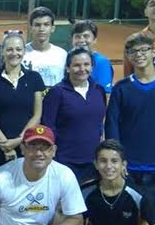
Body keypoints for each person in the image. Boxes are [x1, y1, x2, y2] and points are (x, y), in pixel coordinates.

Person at [105, 33, 155, 213]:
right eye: (133, 51)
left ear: (153, 53)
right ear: (128, 56)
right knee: (123, 214)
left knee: (150, 216)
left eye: (144, 50)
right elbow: (112, 126)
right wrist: (117, 160)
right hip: (126, 167)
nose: (139, 54)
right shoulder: (121, 88)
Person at [0, 31, 44, 176]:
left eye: (18, 49)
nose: (14, 53)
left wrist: (20, 140)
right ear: (2, 51)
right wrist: (5, 144)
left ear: (24, 51)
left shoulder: (34, 78)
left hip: (26, 146)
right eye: (9, 49)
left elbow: (37, 114)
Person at [41, 48, 107, 184]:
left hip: (93, 162)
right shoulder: (57, 92)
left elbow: (100, 123)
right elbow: (48, 127)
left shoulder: (99, 90)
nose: (82, 69)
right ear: (67, 68)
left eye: (86, 64)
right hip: (65, 161)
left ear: (92, 67)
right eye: (77, 65)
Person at [23, 6, 66, 87]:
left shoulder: (62, 54)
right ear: (31, 28)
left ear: (52, 28)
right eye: (37, 25)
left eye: (46, 25)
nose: (41, 29)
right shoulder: (21, 54)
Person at [70, 20, 113, 95]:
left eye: (86, 36)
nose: (81, 40)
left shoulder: (101, 62)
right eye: (77, 36)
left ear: (94, 40)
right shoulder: (68, 57)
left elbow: (105, 95)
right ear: (72, 40)